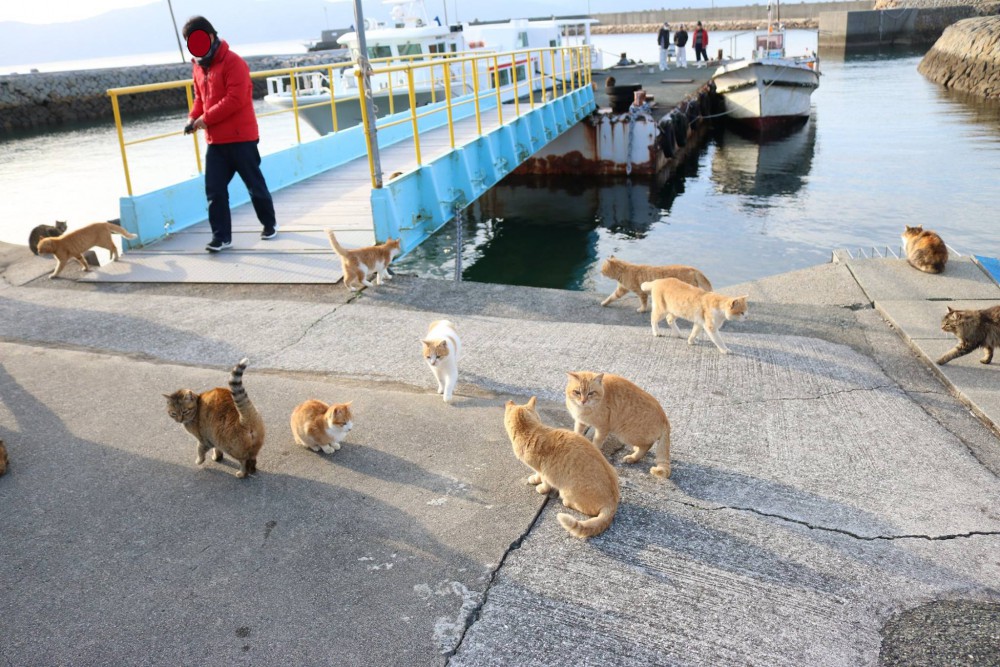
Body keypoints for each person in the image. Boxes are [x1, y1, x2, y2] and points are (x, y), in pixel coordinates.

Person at [183, 16, 277, 253]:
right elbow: (199, 98)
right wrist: (192, 118)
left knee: (254, 185)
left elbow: (235, 99)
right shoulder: (198, 66)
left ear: (211, 36)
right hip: (216, 142)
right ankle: (221, 237)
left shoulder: (234, 62)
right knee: (214, 189)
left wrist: (207, 118)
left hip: (241, 138)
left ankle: (269, 224)